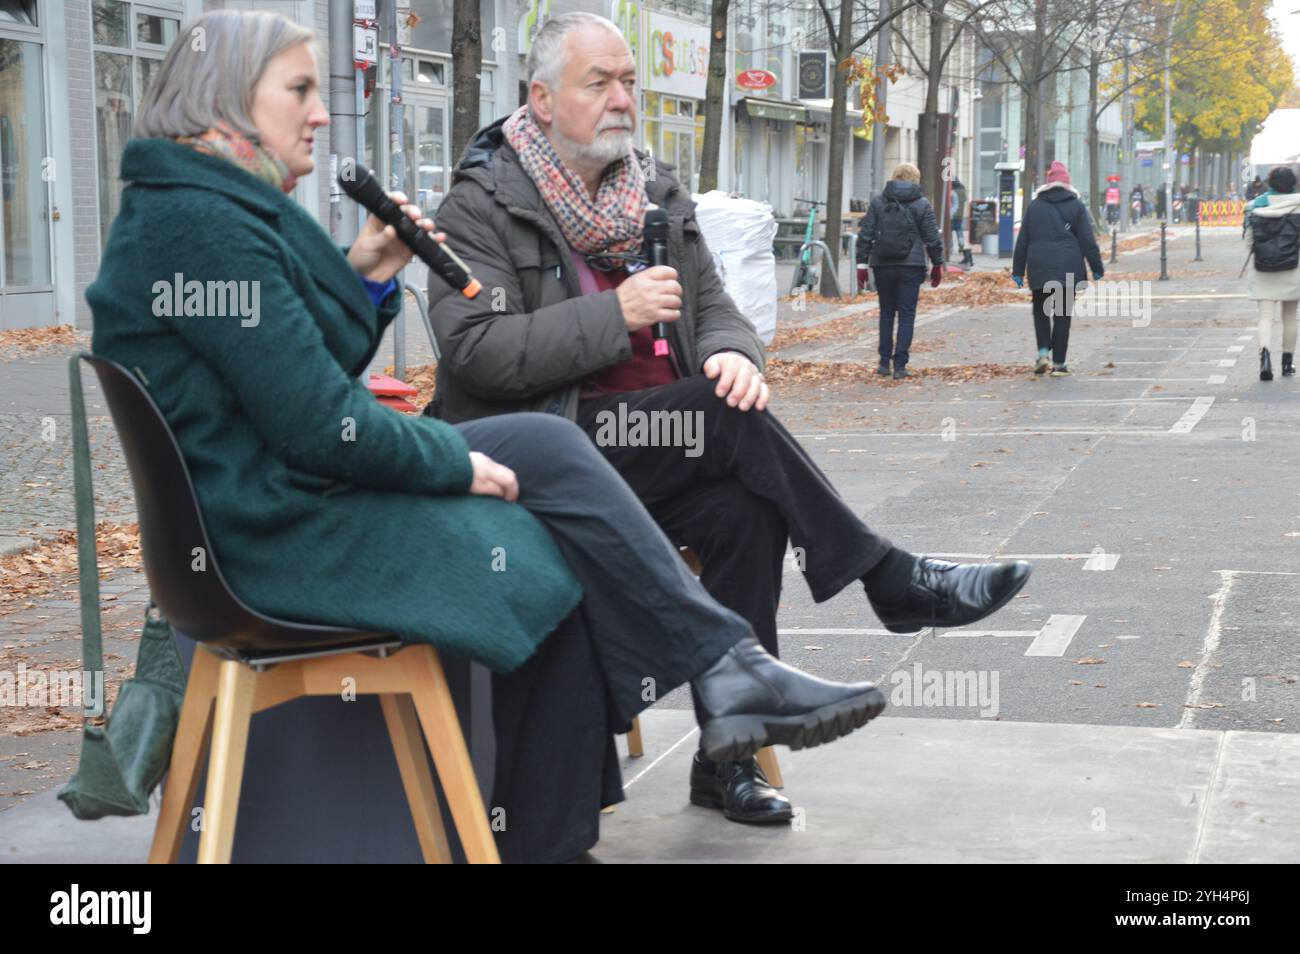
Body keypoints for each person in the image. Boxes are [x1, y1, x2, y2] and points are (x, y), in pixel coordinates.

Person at [85, 9, 905, 864]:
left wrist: (363, 274)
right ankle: (697, 696)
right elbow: (318, 424)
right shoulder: (205, 228)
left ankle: (669, 725)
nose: (321, 113)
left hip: (277, 514)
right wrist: (455, 460)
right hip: (269, 540)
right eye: (297, 90)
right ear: (225, 104)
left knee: (549, 517)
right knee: (540, 518)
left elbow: (295, 379)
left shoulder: (202, 209)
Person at [425, 13, 1031, 826]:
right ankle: (889, 580)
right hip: (552, 449)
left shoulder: (654, 191)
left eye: (629, 82)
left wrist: (737, 353)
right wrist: (618, 317)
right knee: (719, 419)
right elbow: (477, 353)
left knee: (746, 512)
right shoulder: (482, 205)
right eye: (597, 83)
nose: (621, 100)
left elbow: (716, 308)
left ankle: (727, 762)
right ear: (539, 99)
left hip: (662, 448)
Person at [1011, 160, 1105, 376]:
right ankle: (1059, 364)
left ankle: (1043, 351)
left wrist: (1017, 271)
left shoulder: (1035, 207)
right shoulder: (1077, 206)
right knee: (1062, 315)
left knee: (1040, 311)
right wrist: (1097, 268)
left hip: (1040, 267)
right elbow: (1087, 241)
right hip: (1068, 267)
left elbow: (1023, 240)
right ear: (1067, 183)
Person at [856, 162, 946, 379]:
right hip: (911, 266)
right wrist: (937, 264)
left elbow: (866, 233)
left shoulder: (878, 202)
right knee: (907, 314)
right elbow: (932, 238)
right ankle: (900, 365)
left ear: (895, 177)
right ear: (915, 179)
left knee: (886, 312)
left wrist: (862, 264)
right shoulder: (922, 204)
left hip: (882, 264)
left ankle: (883, 362)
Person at [1244, 166, 1300, 381]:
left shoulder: (1257, 207)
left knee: (1265, 317)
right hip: (1293, 268)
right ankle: (1287, 362)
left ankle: (1265, 358)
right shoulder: (1297, 206)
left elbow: (1249, 241)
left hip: (1263, 268)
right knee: (1290, 317)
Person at [950, 178, 974, 267]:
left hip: (952, 214)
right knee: (959, 230)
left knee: (950, 231)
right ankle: (961, 244)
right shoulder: (962, 189)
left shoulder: (951, 190)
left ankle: (951, 246)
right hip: (960, 214)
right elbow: (964, 201)